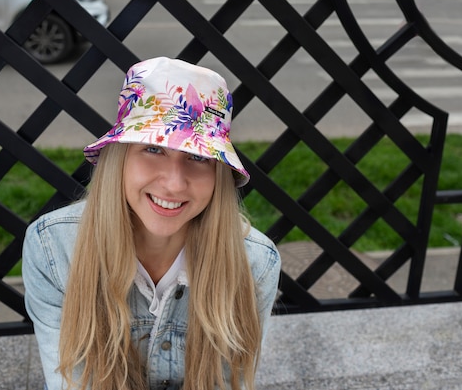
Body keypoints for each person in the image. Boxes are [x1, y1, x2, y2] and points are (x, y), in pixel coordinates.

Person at [22, 56, 281, 390]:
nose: (174, 184)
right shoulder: (53, 249)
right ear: (120, 158)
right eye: (153, 150)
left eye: (198, 157)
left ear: (220, 175)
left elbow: (230, 382)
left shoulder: (255, 264)